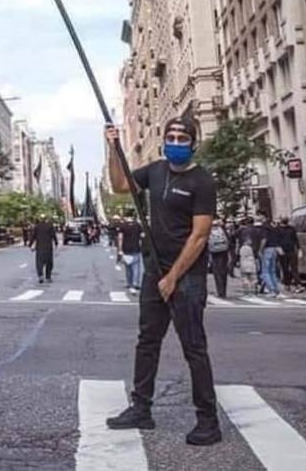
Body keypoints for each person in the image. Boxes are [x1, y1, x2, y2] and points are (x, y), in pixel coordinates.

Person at [105, 116, 221, 447]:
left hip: (186, 277)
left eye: (182, 137)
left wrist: (173, 277)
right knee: (147, 341)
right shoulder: (155, 171)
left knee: (194, 348)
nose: (175, 141)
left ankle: (208, 421)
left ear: (193, 142)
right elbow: (120, 185)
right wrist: (115, 148)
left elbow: (199, 236)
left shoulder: (202, 182)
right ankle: (141, 408)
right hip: (155, 270)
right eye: (170, 136)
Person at [118, 209, 143, 294]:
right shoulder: (137, 225)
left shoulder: (123, 226)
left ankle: (129, 282)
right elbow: (142, 236)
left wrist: (120, 249)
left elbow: (120, 238)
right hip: (136, 248)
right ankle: (135, 282)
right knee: (136, 267)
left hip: (126, 249)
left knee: (128, 267)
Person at [277, 216, 304, 293]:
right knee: (291, 268)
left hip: (286, 250)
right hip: (289, 250)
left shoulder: (279, 229)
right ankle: (293, 284)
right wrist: (299, 248)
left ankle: (290, 285)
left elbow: (295, 239)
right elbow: (296, 240)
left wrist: (299, 248)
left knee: (288, 268)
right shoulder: (291, 229)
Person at [29, 213, 58, 283]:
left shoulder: (37, 227)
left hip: (39, 247)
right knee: (49, 263)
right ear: (46, 219)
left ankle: (40, 275)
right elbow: (53, 235)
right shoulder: (50, 226)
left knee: (39, 263)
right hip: (48, 247)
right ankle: (48, 277)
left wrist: (30, 244)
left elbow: (33, 236)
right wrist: (56, 243)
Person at [207, 218, 230, 299]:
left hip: (214, 253)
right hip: (224, 252)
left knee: (217, 273)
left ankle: (220, 291)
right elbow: (229, 241)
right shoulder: (223, 230)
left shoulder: (209, 230)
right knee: (223, 272)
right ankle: (223, 291)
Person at [259, 216, 281, 297]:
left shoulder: (264, 228)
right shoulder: (274, 228)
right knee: (272, 270)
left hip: (267, 249)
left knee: (265, 271)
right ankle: (276, 289)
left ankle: (271, 289)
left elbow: (264, 239)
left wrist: (260, 250)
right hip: (274, 249)